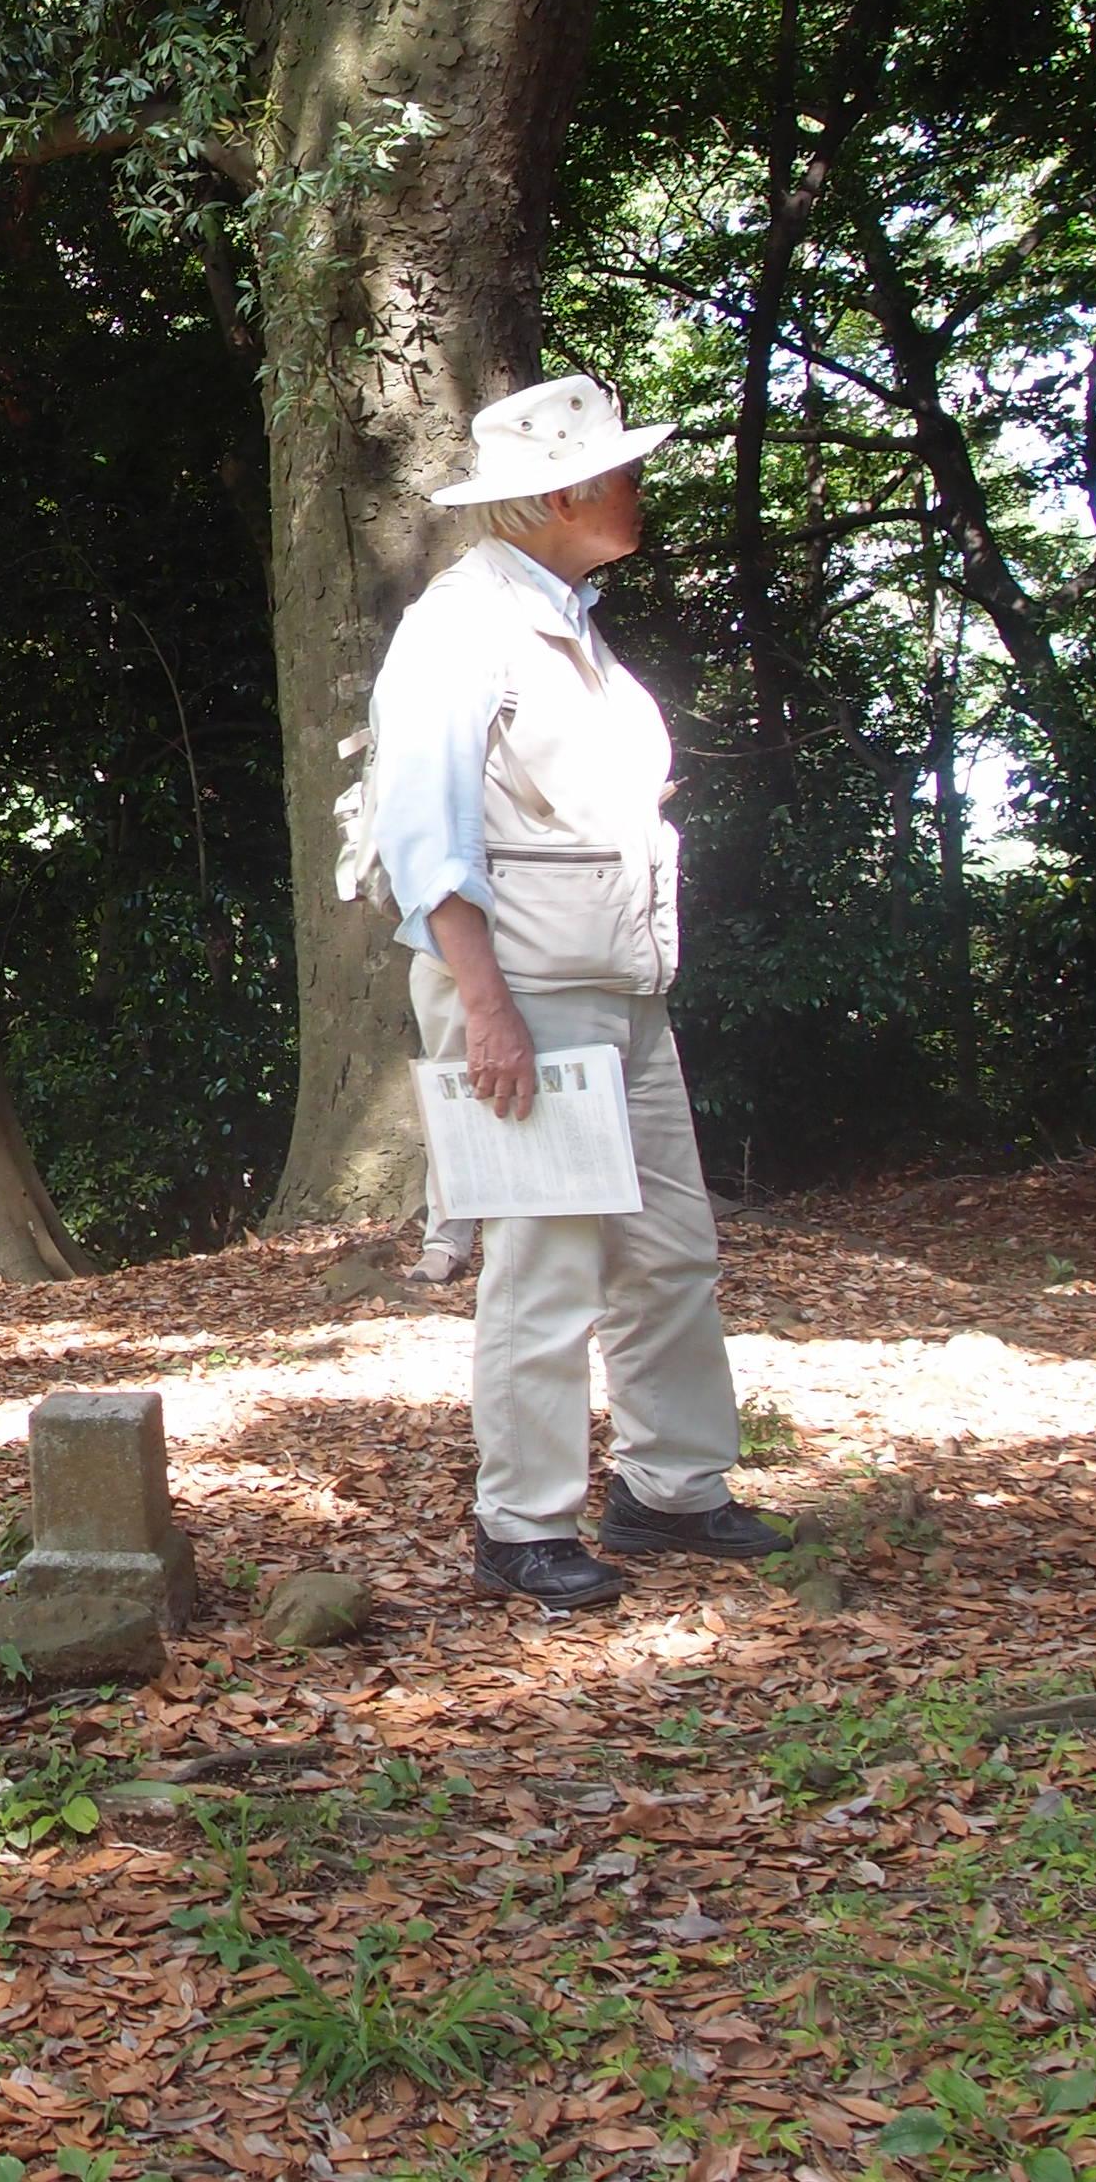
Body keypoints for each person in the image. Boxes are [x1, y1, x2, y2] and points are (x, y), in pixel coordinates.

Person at [367, 375, 789, 1613]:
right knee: (546, 1262)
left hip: (620, 983)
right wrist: (485, 1007)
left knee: (670, 1250)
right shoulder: (462, 624)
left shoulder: (566, 618)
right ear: (562, 496)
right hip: (527, 989)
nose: (639, 489)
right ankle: (523, 1523)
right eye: (621, 472)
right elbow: (423, 835)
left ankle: (673, 1488)